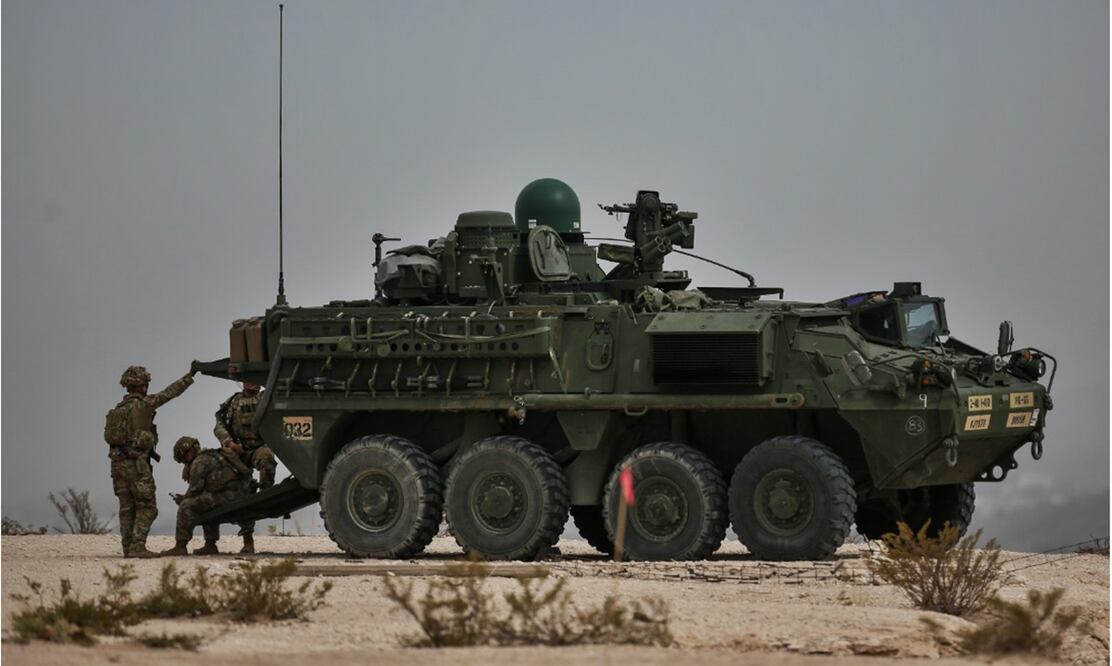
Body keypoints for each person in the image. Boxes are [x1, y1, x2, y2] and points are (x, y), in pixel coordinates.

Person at [106, 365, 195, 558]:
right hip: (136, 465)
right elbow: (169, 393)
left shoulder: (118, 410)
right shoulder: (144, 405)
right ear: (143, 385)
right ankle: (138, 546)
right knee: (148, 507)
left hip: (117, 465)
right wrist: (189, 376)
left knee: (127, 507)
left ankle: (128, 547)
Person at [161, 436, 255, 556]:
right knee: (206, 500)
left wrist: (182, 499)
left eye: (184, 459)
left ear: (188, 453)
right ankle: (212, 545)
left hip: (226, 498)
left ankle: (181, 546)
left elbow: (194, 490)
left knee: (187, 505)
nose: (185, 462)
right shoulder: (215, 454)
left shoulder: (199, 462)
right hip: (240, 494)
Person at [215, 383, 277, 489]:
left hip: (259, 447)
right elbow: (219, 427)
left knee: (267, 459)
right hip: (236, 450)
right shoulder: (232, 402)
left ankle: (266, 491)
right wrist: (230, 444)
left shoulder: (265, 398)